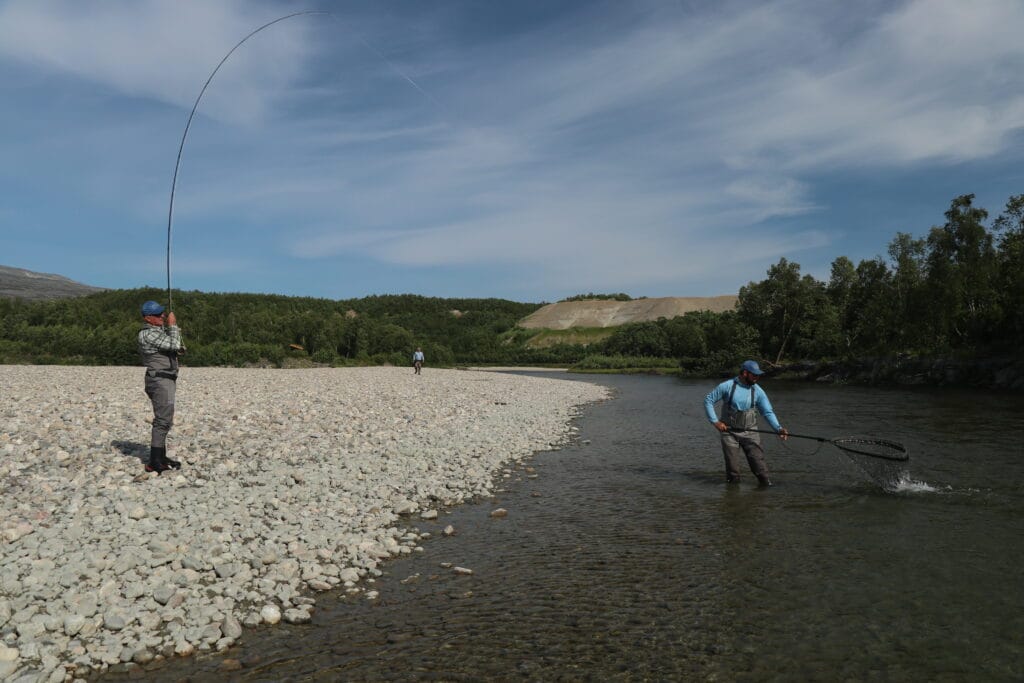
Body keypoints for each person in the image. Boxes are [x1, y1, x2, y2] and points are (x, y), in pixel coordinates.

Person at [703, 360, 788, 486]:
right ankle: (732, 498)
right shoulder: (727, 386)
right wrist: (715, 422)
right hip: (729, 432)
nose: (757, 377)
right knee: (733, 472)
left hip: (750, 432)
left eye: (758, 375)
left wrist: (778, 428)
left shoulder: (758, 391)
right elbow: (708, 400)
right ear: (744, 373)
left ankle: (765, 490)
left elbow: (767, 412)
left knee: (760, 469)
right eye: (754, 375)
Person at [138, 300, 184, 474]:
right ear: (148, 318)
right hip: (159, 381)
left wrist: (171, 331)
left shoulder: (157, 332)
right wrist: (173, 326)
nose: (162, 316)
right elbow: (176, 345)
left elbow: (179, 348)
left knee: (165, 418)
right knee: (163, 420)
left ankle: (161, 457)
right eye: (158, 315)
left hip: (165, 380)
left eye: (162, 313)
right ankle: (154, 461)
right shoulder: (148, 334)